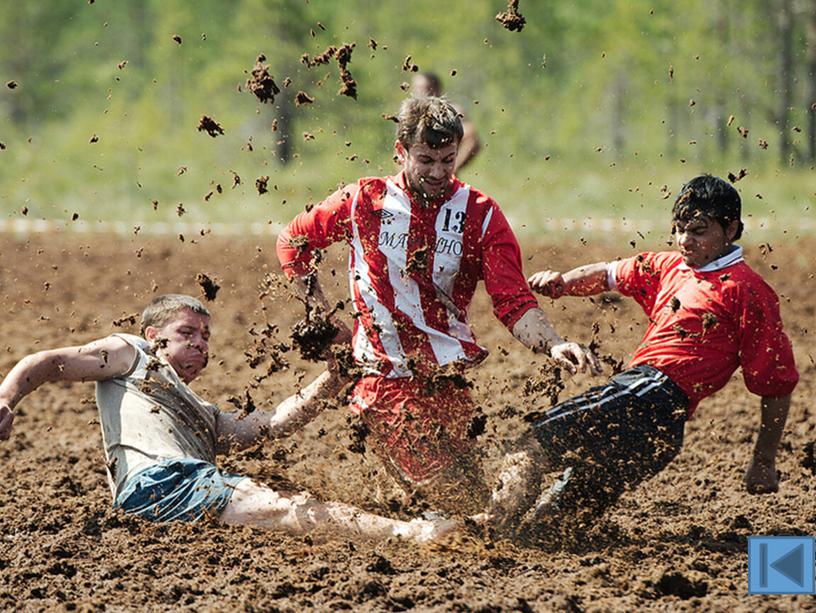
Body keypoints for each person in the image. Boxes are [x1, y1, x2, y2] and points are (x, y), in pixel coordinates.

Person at [276, 96, 600, 514]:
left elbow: (513, 299)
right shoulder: (362, 202)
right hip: (383, 379)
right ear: (401, 152)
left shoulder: (480, 215)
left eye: (448, 160)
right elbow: (292, 242)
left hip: (448, 380)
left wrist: (553, 343)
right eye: (426, 160)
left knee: (474, 504)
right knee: (453, 501)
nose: (438, 173)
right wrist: (321, 317)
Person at [0, 293, 453, 543]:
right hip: (160, 480)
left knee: (285, 508)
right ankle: (412, 534)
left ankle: (407, 531)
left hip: (178, 487)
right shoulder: (131, 355)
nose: (200, 344)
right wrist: (6, 399)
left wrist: (334, 378)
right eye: (187, 333)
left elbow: (268, 425)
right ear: (154, 335)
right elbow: (50, 362)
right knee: (284, 507)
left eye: (205, 336)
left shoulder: (203, 414)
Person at [490, 175, 799, 536]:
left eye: (698, 230)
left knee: (531, 445)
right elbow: (610, 275)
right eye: (679, 228)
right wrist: (563, 284)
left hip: (646, 394)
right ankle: (509, 535)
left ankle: (485, 528)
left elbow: (775, 384)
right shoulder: (671, 265)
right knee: (554, 524)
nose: (685, 240)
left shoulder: (747, 291)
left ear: (730, 229)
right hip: (663, 435)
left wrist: (763, 460)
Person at [411, 72, 480, 173]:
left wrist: (453, 168)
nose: (419, 93)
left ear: (437, 90)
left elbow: (472, 137)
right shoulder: (410, 115)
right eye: (416, 88)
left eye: (424, 88)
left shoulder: (451, 112)